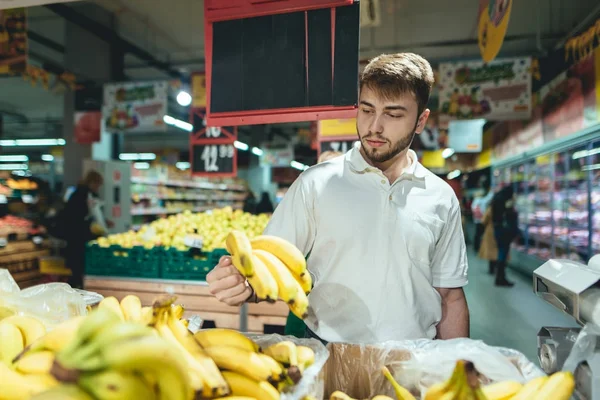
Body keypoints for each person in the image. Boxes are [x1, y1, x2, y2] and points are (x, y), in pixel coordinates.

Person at [207, 52, 469, 344]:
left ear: (421, 121)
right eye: (367, 110)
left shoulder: (441, 197)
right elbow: (271, 268)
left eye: (393, 114)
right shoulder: (315, 183)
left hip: (415, 359)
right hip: (327, 352)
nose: (375, 127)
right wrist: (242, 283)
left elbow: (450, 296)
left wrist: (459, 368)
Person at [64, 170, 112, 288]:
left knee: (80, 270)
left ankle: (79, 287)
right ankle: (76, 290)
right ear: (91, 182)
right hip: (78, 239)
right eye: (97, 184)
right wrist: (90, 226)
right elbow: (75, 218)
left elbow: (92, 215)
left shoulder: (89, 195)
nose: (98, 187)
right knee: (78, 269)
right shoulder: (80, 196)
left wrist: (103, 222)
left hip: (83, 239)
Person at [489, 185, 519, 287]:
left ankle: (499, 277)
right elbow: (511, 216)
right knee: (503, 253)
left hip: (498, 229)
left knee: (501, 252)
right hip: (505, 231)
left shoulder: (496, 199)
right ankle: (501, 278)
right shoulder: (506, 203)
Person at [471, 180, 494, 252]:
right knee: (482, 234)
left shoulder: (476, 200)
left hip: (476, 220)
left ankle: (476, 247)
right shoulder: (483, 201)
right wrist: (491, 191)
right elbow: (489, 198)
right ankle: (481, 248)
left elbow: (472, 208)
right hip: (482, 219)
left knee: (477, 234)